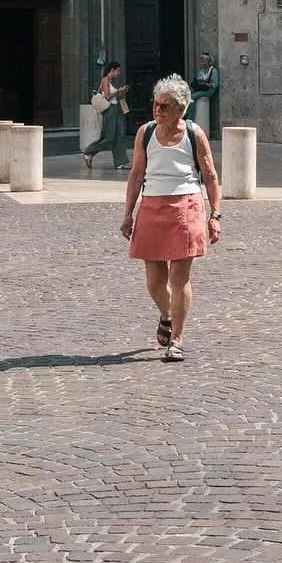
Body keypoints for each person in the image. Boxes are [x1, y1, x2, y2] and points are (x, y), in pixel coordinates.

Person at [121, 73, 222, 363]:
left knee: (179, 279)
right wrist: (128, 214)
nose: (157, 110)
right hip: (152, 207)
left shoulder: (194, 134)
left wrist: (215, 214)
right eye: (156, 104)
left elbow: (211, 176)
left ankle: (176, 339)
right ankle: (166, 314)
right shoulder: (146, 132)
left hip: (186, 206)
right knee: (154, 282)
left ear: (181, 108)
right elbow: (136, 173)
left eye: (164, 106)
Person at [84, 61, 131, 171]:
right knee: (109, 137)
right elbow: (108, 97)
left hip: (115, 109)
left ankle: (121, 162)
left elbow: (114, 98)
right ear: (112, 70)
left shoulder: (111, 82)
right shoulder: (105, 80)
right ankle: (89, 151)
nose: (118, 73)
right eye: (117, 71)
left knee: (119, 135)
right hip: (109, 110)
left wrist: (121, 92)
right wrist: (117, 91)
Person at [190, 52, 220, 133]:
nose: (202, 63)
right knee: (188, 95)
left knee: (192, 98)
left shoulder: (213, 71)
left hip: (209, 90)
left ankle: (190, 119)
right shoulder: (201, 71)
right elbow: (199, 80)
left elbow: (215, 85)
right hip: (201, 89)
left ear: (209, 61)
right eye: (201, 61)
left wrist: (206, 84)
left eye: (204, 61)